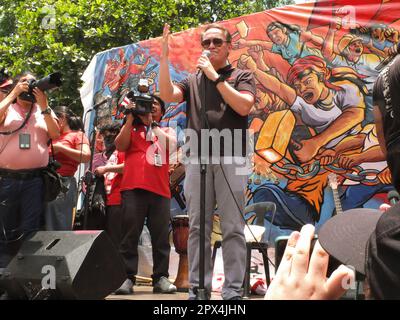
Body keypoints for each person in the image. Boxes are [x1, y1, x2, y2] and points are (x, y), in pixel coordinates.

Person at [159, 23, 256, 300]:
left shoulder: (242, 75)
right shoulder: (193, 80)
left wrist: (215, 77)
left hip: (234, 154)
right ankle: (198, 290)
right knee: (198, 226)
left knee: (232, 226)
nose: (210, 47)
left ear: (228, 46)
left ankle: (233, 292)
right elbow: (167, 95)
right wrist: (164, 59)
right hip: (198, 155)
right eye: (206, 43)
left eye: (216, 42)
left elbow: (243, 106)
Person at [114, 94, 177, 295]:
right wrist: (130, 119)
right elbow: (119, 146)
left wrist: (153, 126)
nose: (150, 109)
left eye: (155, 105)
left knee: (160, 237)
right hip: (133, 188)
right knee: (129, 235)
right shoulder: (131, 129)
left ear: (162, 111)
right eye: (147, 106)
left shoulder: (166, 130)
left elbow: (171, 146)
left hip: (159, 191)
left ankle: (161, 278)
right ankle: (126, 278)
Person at [0, 73, 60, 271]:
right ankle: (4, 275)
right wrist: (12, 94)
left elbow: (56, 133)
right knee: (5, 227)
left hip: (34, 180)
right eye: (25, 82)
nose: (29, 87)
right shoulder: (8, 108)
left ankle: (24, 275)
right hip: (7, 179)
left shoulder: (43, 111)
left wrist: (44, 106)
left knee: (30, 229)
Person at [44, 106, 90, 230]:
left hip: (62, 183)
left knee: (57, 222)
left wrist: (61, 148)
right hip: (42, 180)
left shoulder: (77, 135)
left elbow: (85, 156)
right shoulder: (50, 135)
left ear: (62, 118)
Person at [94, 123, 124, 248]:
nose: (108, 140)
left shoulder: (123, 151)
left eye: (112, 137)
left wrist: (106, 169)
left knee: (116, 241)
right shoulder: (100, 157)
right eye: (106, 137)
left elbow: (129, 167)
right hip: (104, 202)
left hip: (119, 201)